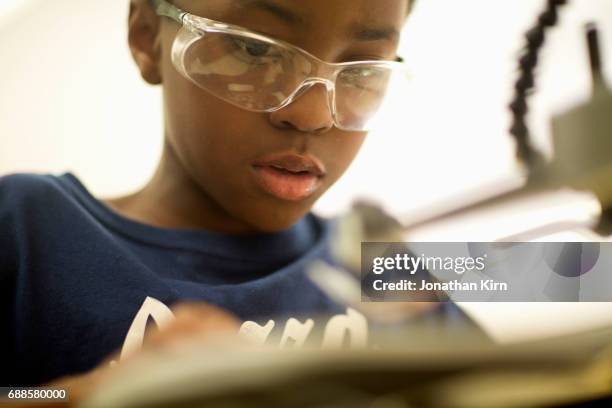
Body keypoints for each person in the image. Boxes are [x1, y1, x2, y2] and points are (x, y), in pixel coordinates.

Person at [0, 0, 478, 401]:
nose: (311, 115)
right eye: (254, 50)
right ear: (147, 36)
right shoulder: (28, 230)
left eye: (359, 73)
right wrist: (91, 393)